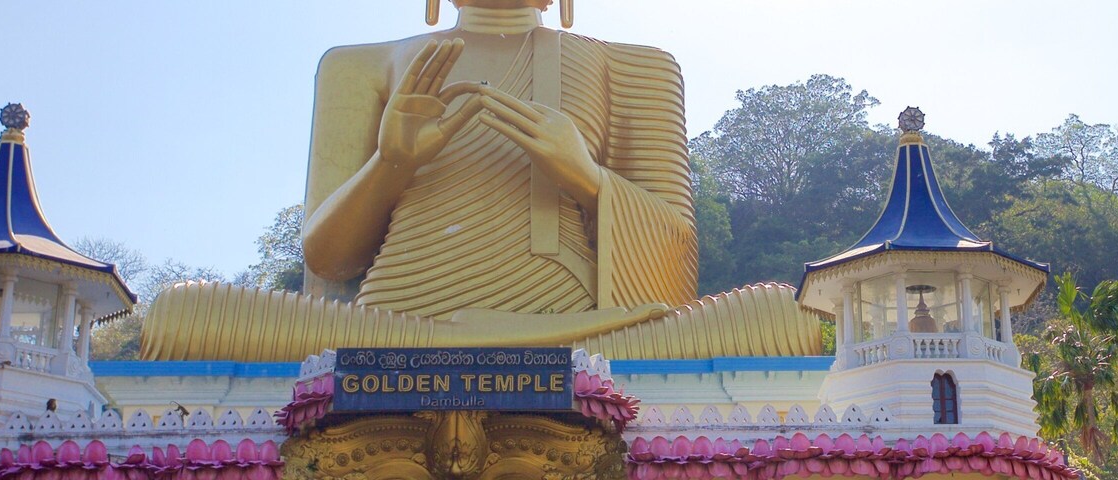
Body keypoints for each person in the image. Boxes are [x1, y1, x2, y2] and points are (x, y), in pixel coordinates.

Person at [140, 0, 819, 362]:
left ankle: (468, 353)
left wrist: (587, 178)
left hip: (579, 330)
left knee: (783, 317)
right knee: (178, 312)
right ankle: (448, 351)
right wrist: (392, 163)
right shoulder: (360, 65)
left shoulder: (633, 67)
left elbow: (673, 273)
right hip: (390, 327)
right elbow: (326, 258)